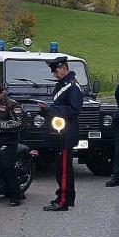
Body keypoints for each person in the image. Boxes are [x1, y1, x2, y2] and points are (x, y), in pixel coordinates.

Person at [40, 56, 83, 212]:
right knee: (64, 168)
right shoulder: (63, 85)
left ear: (64, 68)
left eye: (56, 70)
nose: (54, 74)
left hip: (67, 133)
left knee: (63, 170)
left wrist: (50, 110)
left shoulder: (72, 87)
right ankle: (68, 197)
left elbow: (74, 110)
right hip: (60, 131)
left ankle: (63, 201)